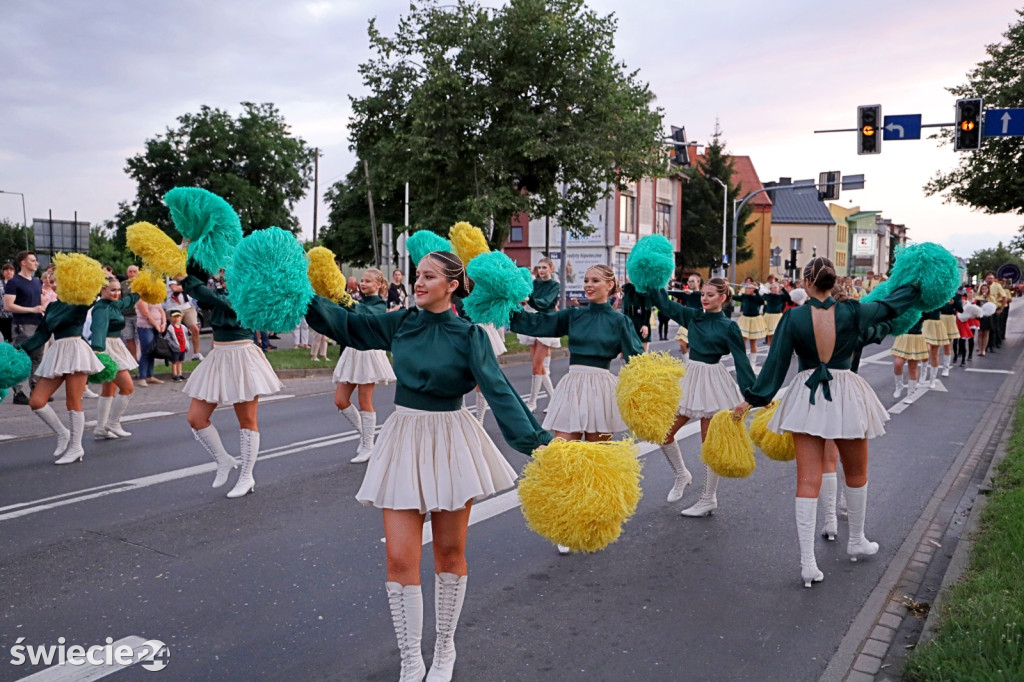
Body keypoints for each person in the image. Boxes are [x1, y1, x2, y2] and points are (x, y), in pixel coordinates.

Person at [306, 250, 550, 682]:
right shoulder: (401, 322)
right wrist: (299, 295)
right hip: (404, 437)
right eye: (418, 276)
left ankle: (443, 648)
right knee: (399, 558)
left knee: (449, 552)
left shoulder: (470, 334)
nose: (418, 283)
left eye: (429, 277)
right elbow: (349, 326)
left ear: (452, 285)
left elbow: (499, 392)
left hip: (450, 439)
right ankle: (409, 658)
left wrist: (540, 445)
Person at [735, 257, 920, 588]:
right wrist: (919, 284)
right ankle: (857, 539)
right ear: (833, 282)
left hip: (806, 397)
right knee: (857, 473)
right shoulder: (852, 312)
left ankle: (808, 563)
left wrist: (753, 399)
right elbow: (891, 306)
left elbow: (774, 367)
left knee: (807, 479)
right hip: (846, 393)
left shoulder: (793, 318)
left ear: (806, 283)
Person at [173, 265, 284, 496]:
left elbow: (208, 295)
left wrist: (185, 278)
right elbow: (206, 297)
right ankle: (223, 459)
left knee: (247, 421)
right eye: (227, 273)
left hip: (242, 356)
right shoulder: (222, 294)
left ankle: (246, 476)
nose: (228, 276)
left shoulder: (250, 296)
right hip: (219, 356)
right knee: (196, 418)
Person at [647, 279, 755, 514]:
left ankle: (708, 498)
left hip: (714, 382)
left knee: (709, 445)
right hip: (690, 377)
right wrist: (651, 277)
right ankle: (681, 474)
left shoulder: (729, 327)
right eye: (703, 294)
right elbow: (663, 304)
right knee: (663, 431)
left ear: (723, 298)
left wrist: (751, 396)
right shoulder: (693, 316)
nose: (704, 298)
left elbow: (741, 361)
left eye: (710, 295)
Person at [510, 264, 643, 444]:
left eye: (595, 281)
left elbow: (637, 361)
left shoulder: (620, 321)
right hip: (572, 386)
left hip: (602, 390)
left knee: (598, 457)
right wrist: (507, 304)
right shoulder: (574, 315)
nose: (588, 285)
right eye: (586, 280)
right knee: (563, 452)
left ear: (610, 285)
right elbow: (537, 323)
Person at [18, 283, 105, 464]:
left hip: (76, 350)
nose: (54, 283)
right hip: (57, 352)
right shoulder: (52, 306)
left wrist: (96, 277)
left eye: (58, 279)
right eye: (51, 280)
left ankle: (76, 447)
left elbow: (95, 292)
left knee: (73, 401)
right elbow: (42, 334)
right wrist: (19, 349)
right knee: (36, 401)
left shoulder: (80, 301)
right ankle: (62, 432)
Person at [332, 269, 396, 463]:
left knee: (364, 401)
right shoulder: (357, 300)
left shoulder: (378, 304)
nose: (364, 284)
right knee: (340, 400)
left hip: (368, 353)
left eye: (368, 281)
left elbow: (364, 315)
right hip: (353, 352)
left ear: (379, 285)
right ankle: (366, 437)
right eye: (362, 281)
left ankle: (368, 446)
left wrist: (347, 302)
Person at [87, 277, 141, 438]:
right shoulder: (101, 308)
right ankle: (113, 423)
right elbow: (98, 328)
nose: (117, 293)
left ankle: (101, 428)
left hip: (115, 344)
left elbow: (126, 302)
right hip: (107, 347)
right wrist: (97, 350)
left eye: (118, 290)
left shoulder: (113, 304)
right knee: (127, 387)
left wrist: (141, 291)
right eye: (113, 290)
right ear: (103, 290)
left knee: (108, 389)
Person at [516, 258, 561, 412]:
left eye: (544, 267)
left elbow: (545, 302)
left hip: (546, 323)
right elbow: (527, 300)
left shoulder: (555, 285)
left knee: (536, 366)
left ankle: (532, 401)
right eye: (539, 267)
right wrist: (522, 300)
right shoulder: (534, 284)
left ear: (551, 269)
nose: (541, 270)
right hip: (533, 321)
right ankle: (555, 400)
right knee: (540, 366)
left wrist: (529, 299)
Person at [4, 251, 45, 404]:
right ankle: (18, 392)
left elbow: (41, 302)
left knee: (37, 358)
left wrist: (44, 309)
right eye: (33, 260)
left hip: (38, 324)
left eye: (36, 260)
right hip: (23, 324)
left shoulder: (36, 281)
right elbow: (8, 305)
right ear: (23, 262)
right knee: (21, 357)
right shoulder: (14, 282)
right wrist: (31, 309)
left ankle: (35, 388)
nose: (36, 263)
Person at [891, 316, 928, 404]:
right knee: (898, 363)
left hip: (916, 337)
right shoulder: (903, 304)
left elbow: (929, 313)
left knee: (913, 368)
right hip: (902, 336)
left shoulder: (921, 306)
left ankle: (910, 394)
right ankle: (899, 386)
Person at [165, 279, 204, 361]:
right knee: (175, 332)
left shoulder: (185, 278)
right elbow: (174, 289)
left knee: (195, 329)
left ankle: (196, 354)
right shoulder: (171, 277)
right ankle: (174, 355)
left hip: (188, 307)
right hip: (174, 308)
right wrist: (188, 286)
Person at [734, 282, 766, 369]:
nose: (747, 289)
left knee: (753, 341)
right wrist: (725, 287)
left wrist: (757, 291)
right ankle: (743, 361)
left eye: (750, 288)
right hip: (745, 319)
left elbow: (761, 302)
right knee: (742, 340)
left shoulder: (757, 297)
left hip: (754, 320)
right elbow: (733, 297)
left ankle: (752, 363)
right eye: (747, 287)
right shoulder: (744, 296)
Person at [135, 296, 166, 387]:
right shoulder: (141, 299)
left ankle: (149, 376)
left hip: (157, 327)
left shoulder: (155, 298)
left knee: (152, 351)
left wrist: (164, 323)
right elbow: (145, 313)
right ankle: (142, 378)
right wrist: (156, 325)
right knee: (146, 351)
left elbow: (161, 311)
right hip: (145, 327)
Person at [674, 274, 703, 362]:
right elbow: (672, 292)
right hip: (686, 322)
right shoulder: (686, 294)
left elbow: (702, 294)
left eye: (692, 281)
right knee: (682, 343)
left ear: (698, 282)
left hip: (699, 322)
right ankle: (687, 362)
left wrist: (693, 293)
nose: (690, 283)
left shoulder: (703, 294)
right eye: (689, 281)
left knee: (697, 347)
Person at [621, 278, 652, 351]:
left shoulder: (643, 289)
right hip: (628, 321)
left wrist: (645, 324)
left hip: (640, 321)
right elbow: (625, 309)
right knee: (624, 353)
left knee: (642, 352)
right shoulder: (626, 289)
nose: (627, 278)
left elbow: (647, 308)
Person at [762, 281, 790, 347]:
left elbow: (788, 298)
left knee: (777, 334)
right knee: (769, 335)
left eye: (775, 287)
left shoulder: (781, 297)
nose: (774, 289)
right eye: (772, 287)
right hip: (769, 316)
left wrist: (783, 289)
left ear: (779, 288)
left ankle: (776, 351)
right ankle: (769, 352)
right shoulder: (768, 296)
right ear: (770, 289)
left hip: (777, 317)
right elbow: (761, 298)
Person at [164, 310, 191, 381]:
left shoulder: (183, 327)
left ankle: (180, 374)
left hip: (182, 347)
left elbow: (186, 336)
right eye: (174, 317)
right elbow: (168, 338)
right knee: (175, 362)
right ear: (171, 318)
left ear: (181, 317)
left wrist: (186, 345)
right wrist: (173, 345)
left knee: (180, 361)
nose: (176, 318)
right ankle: (175, 374)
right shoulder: (170, 328)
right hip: (175, 348)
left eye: (178, 316)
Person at [120, 265, 140, 359]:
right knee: (129, 338)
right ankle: (134, 358)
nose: (132, 273)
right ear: (127, 273)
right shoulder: (123, 284)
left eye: (134, 271)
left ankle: (141, 358)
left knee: (140, 338)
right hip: (126, 315)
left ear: (138, 272)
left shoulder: (142, 283)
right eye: (130, 271)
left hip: (139, 315)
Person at [0, 261, 14, 341]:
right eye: (6, 270)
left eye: (11, 270)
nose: (9, 272)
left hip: (15, 315)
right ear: (3, 272)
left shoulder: (17, 283)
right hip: (2, 315)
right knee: (6, 337)